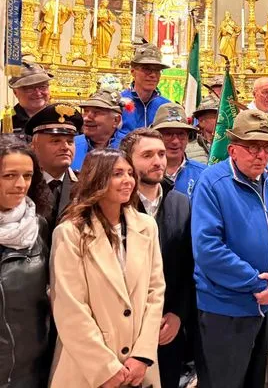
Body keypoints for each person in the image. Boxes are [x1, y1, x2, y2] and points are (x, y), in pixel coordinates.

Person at [191, 109, 268, 388]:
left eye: (266, 148)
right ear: (232, 149)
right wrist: (255, 283)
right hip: (225, 308)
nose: (260, 155)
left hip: (266, 304)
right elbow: (208, 249)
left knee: (256, 382)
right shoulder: (213, 183)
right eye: (252, 147)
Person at [49, 149, 166, 388]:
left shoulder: (146, 226)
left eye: (130, 173)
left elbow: (155, 293)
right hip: (87, 369)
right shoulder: (70, 232)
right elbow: (69, 307)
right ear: (97, 178)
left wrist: (142, 355)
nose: (128, 180)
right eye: (117, 173)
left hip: (139, 369)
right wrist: (105, 368)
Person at [121, 128, 194, 387]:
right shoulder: (117, 206)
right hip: (124, 329)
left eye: (161, 154)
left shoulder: (181, 203)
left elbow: (188, 266)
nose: (158, 161)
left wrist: (178, 314)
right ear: (128, 161)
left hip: (167, 326)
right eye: (147, 155)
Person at [0, 136, 53, 387]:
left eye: (28, 176)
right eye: (9, 175)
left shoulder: (39, 226)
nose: (21, 184)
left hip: (32, 369)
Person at [26, 103, 83, 232]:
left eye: (70, 141)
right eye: (55, 141)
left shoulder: (84, 185)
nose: (65, 147)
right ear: (33, 146)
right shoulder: (23, 183)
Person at [150, 103, 207, 198]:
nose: (175, 141)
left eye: (181, 134)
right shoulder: (142, 173)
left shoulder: (203, 175)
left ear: (188, 137)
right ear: (155, 137)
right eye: (168, 134)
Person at [121, 43, 172, 134]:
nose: (153, 75)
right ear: (133, 72)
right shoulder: (119, 103)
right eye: (147, 69)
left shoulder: (166, 106)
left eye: (157, 70)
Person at [73, 89, 126, 171]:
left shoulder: (129, 147)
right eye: (86, 111)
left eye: (97, 112)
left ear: (116, 120)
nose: (86, 118)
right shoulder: (71, 146)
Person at [9, 62, 52, 135]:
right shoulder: (5, 121)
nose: (38, 93)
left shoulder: (61, 116)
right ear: (15, 92)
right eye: (29, 88)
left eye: (42, 86)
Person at [186, 94, 219, 164]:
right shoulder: (188, 148)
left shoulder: (228, 144)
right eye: (216, 116)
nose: (221, 119)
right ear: (201, 121)